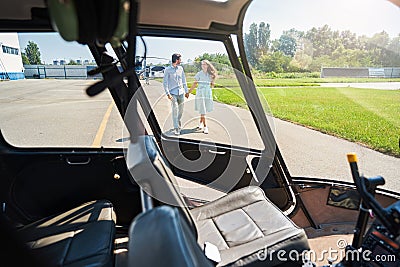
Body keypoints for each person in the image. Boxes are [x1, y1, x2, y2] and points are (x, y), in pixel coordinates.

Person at [163, 53, 190, 135]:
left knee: (181, 111)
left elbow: (184, 80)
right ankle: (176, 128)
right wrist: (168, 94)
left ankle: (177, 122)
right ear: (176, 60)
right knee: (175, 111)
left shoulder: (181, 69)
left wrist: (186, 91)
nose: (181, 61)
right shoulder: (167, 70)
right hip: (173, 94)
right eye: (180, 59)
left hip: (181, 93)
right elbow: (165, 83)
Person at [189, 59, 217, 134]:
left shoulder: (210, 74)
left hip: (207, 93)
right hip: (200, 93)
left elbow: (212, 84)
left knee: (204, 109)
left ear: (207, 65)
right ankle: (205, 126)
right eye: (202, 64)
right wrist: (189, 92)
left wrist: (212, 82)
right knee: (203, 109)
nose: (203, 66)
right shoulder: (199, 74)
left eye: (204, 64)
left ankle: (200, 123)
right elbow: (195, 84)